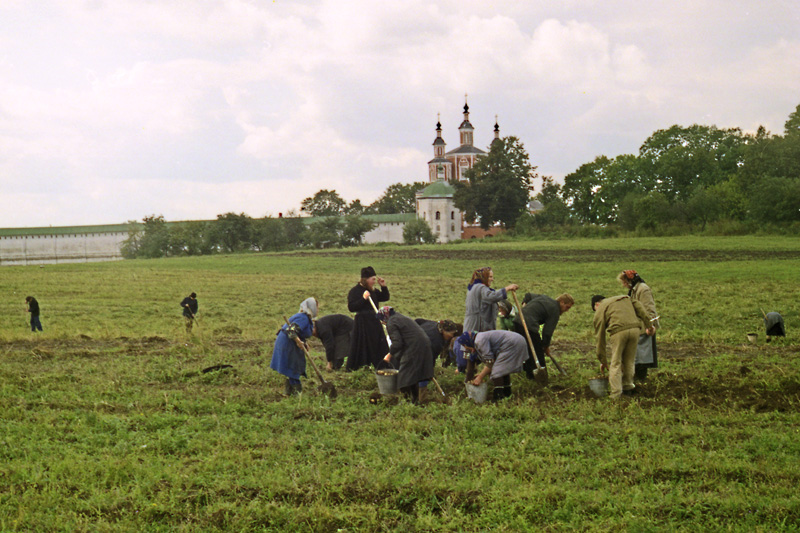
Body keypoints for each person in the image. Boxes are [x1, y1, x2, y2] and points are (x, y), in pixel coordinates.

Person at [592, 294, 654, 399]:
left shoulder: (601, 307)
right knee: (629, 360)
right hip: (635, 329)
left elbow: (600, 337)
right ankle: (628, 386)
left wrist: (603, 360)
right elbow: (640, 308)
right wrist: (649, 325)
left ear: (597, 304)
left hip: (618, 331)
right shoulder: (624, 298)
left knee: (615, 362)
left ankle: (616, 393)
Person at [379, 307, 433, 404]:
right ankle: (415, 401)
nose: (382, 323)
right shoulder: (400, 317)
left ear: (384, 317)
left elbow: (397, 343)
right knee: (413, 377)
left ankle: (407, 402)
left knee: (404, 379)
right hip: (423, 345)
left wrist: (389, 355)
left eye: (382, 320)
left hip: (414, 348)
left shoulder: (391, 323)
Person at [514, 293, 574, 380]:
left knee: (527, 350)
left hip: (517, 320)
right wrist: (545, 346)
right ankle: (541, 379)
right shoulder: (555, 310)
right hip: (528, 325)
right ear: (561, 302)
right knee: (537, 353)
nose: (567, 310)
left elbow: (529, 296)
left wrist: (525, 303)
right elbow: (547, 332)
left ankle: (530, 375)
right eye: (567, 307)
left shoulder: (544, 298)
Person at [459, 329, 529, 402]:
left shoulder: (479, 341)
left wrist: (480, 377)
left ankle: (498, 398)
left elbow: (490, 362)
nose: (466, 348)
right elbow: (476, 363)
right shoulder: (478, 338)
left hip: (512, 343)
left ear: (467, 342)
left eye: (464, 345)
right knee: (503, 369)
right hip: (517, 340)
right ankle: (507, 393)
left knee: (497, 371)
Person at [271, 298, 318, 396]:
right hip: (288, 343)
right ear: (312, 307)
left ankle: (288, 392)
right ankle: (297, 393)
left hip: (288, 341)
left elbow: (299, 332)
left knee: (292, 365)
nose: (317, 309)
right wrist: (298, 342)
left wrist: (303, 342)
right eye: (317, 307)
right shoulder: (303, 318)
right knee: (293, 365)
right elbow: (291, 331)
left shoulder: (305, 318)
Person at [346, 266, 390, 371]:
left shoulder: (372, 290)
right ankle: (361, 367)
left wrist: (383, 286)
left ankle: (381, 365)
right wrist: (363, 299)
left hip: (375, 321)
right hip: (362, 323)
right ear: (365, 279)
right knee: (362, 346)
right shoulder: (355, 291)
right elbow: (351, 307)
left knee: (379, 345)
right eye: (373, 279)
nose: (374, 282)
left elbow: (385, 297)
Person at [618, 270, 659, 381]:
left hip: (644, 328)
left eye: (624, 282)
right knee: (637, 357)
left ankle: (640, 380)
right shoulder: (634, 290)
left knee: (642, 358)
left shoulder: (643, 289)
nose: (623, 285)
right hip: (636, 326)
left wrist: (649, 326)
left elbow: (649, 310)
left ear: (630, 280)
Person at [464, 267, 518, 332]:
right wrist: (507, 288)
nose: (492, 279)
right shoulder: (481, 288)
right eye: (490, 277)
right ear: (484, 277)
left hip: (471, 326)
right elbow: (491, 297)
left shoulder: (473, 288)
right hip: (478, 327)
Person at [414, 319, 462, 391]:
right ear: (443, 331)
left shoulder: (434, 324)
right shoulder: (437, 342)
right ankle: (420, 392)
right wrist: (430, 372)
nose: (452, 336)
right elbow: (430, 359)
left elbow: (418, 320)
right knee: (423, 371)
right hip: (415, 348)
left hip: (417, 340)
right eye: (451, 333)